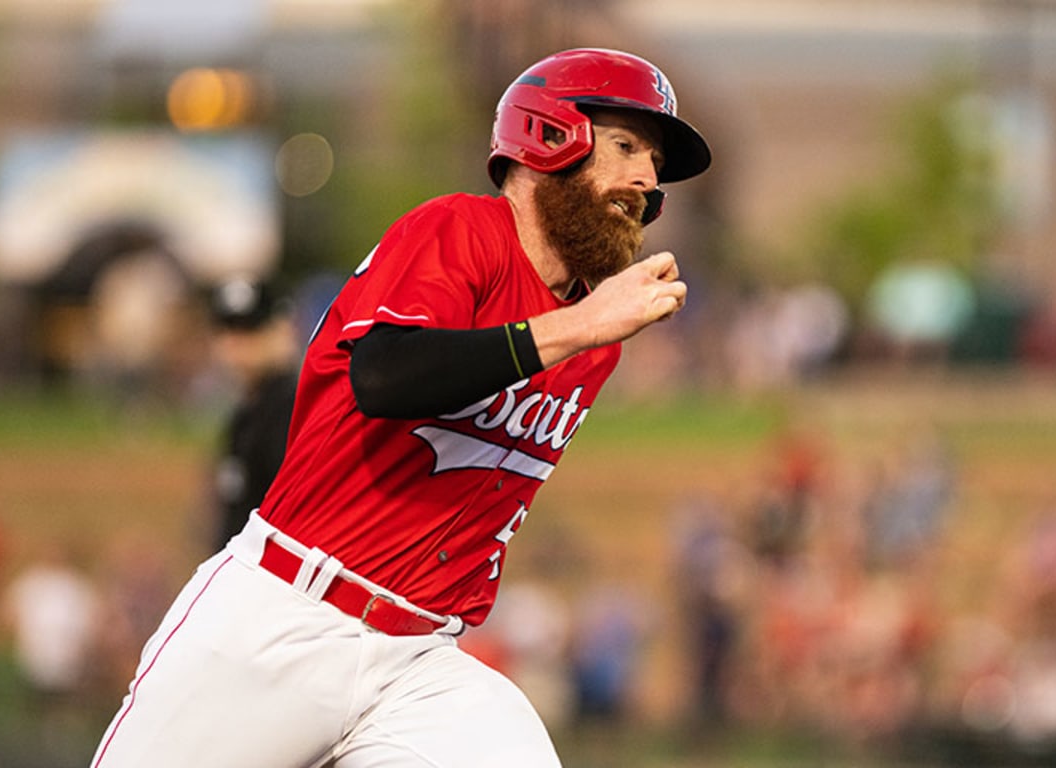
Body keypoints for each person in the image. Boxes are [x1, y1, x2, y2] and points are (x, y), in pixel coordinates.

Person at [90, 47, 711, 768]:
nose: (645, 178)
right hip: (287, 616)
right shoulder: (461, 232)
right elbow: (384, 377)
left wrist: (581, 326)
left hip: (420, 660)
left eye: (654, 163)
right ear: (549, 136)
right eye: (626, 146)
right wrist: (576, 327)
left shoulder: (596, 335)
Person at [205, 278, 300, 552]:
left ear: (282, 330)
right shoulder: (246, 413)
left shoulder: (291, 410)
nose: (235, 343)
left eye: (250, 328)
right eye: (227, 328)